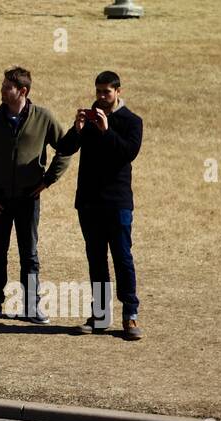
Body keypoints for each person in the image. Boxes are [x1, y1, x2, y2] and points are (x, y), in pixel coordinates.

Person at [0, 66, 72, 324]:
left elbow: (67, 149)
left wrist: (49, 179)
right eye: (3, 86)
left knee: (29, 254)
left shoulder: (44, 118)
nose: (2, 90)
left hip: (29, 199)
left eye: (8, 87)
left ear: (22, 91)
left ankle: (31, 306)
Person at [56, 71, 144, 340]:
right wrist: (77, 129)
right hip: (89, 204)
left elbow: (127, 153)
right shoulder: (91, 118)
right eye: (98, 92)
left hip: (117, 203)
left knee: (122, 258)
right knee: (96, 261)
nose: (101, 97)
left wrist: (106, 132)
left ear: (118, 91)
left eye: (107, 92)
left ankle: (130, 315)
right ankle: (101, 316)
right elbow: (64, 148)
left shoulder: (131, 121)